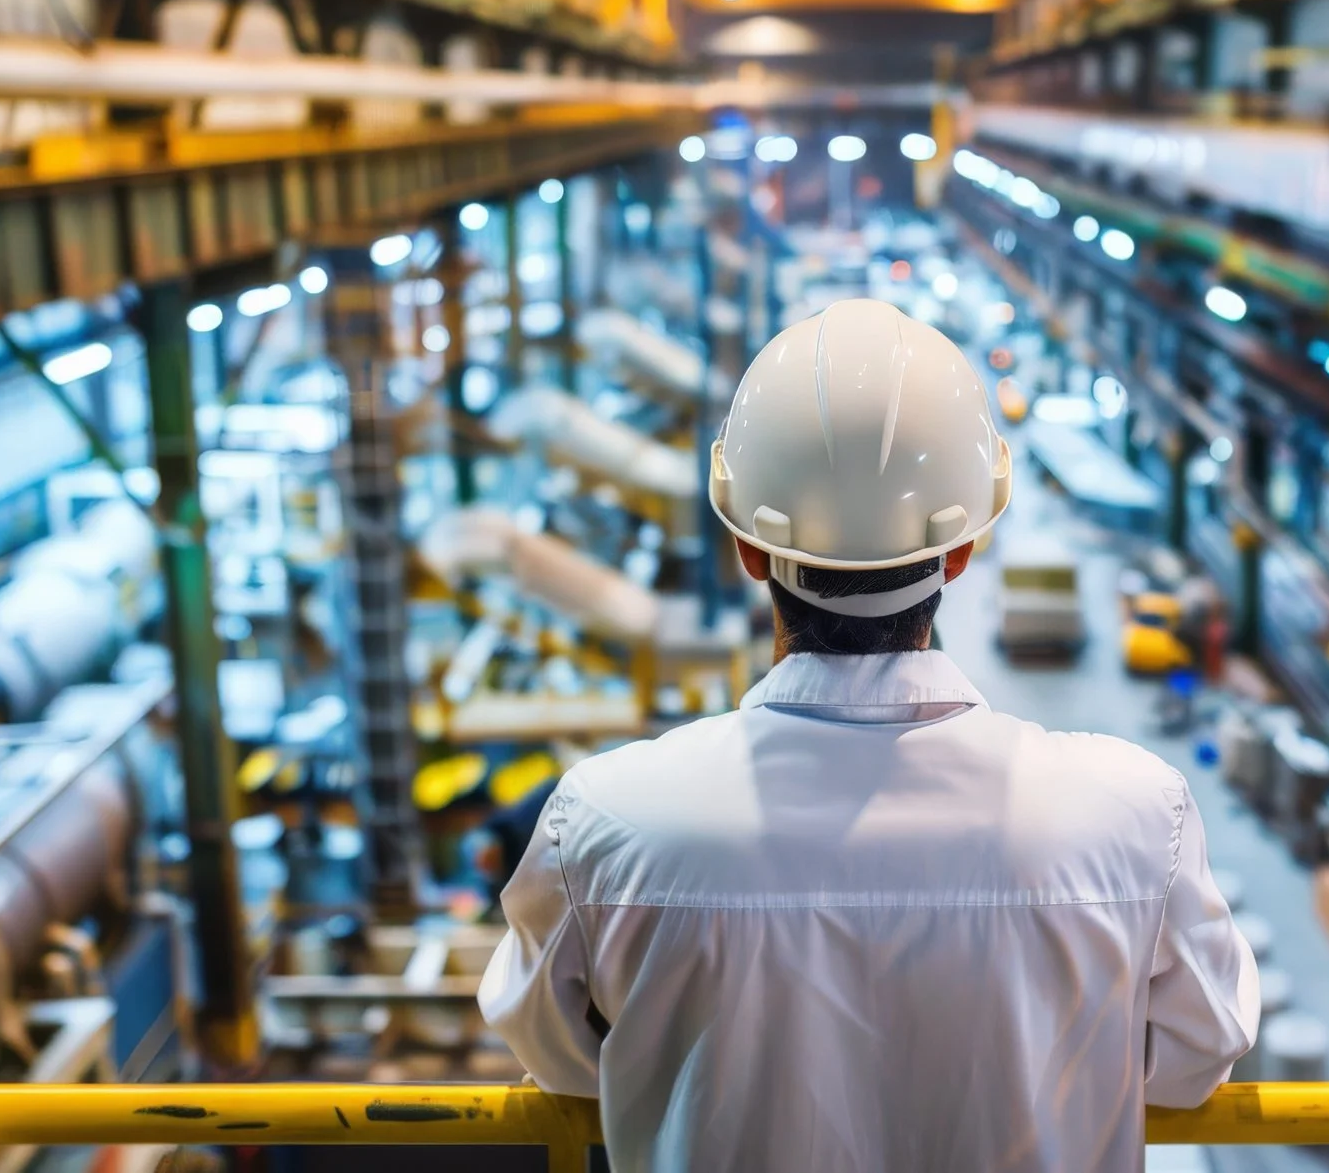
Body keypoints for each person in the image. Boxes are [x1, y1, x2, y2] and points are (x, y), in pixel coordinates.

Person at [480, 298, 1258, 1173]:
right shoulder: (1130, 814)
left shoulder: (609, 820)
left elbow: (560, 1057)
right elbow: (1197, 1054)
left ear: (747, 548)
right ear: (962, 549)